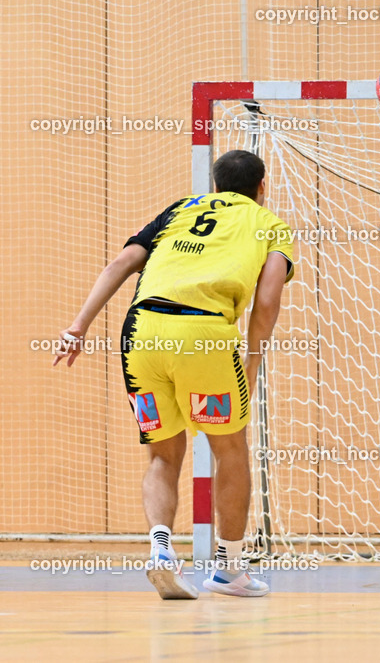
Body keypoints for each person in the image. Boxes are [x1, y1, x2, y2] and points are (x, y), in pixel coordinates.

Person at [53, 150, 294, 599]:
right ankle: (229, 570)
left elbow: (119, 264)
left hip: (140, 334)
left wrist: (78, 325)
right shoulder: (271, 225)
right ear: (263, 187)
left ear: (216, 186)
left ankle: (162, 551)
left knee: (163, 455)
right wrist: (253, 361)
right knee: (230, 449)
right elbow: (267, 301)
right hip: (202, 336)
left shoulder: (181, 209)